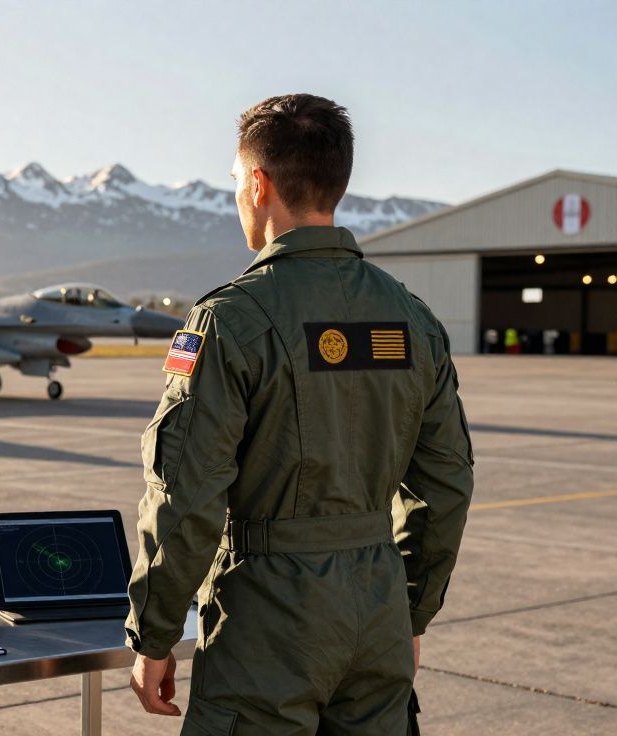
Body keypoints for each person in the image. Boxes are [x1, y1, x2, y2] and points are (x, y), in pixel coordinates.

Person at [124, 94, 474, 734]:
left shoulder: (229, 320)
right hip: (377, 617)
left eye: (235, 181)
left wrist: (153, 633)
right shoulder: (413, 319)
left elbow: (187, 493)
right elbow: (446, 484)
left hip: (267, 622)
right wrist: (408, 615)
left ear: (258, 184)